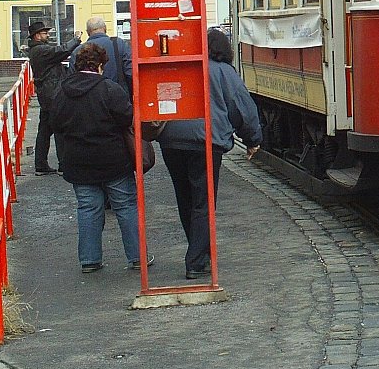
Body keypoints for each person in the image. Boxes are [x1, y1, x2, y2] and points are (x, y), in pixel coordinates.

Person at [156, 27, 262, 280]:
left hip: (171, 139)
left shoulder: (182, 65)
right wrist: (252, 139)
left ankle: (199, 254)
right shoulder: (224, 71)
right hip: (206, 141)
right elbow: (241, 108)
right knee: (203, 202)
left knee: (185, 199)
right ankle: (195, 261)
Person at [47, 42, 145, 273]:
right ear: (99, 65)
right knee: (126, 207)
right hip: (113, 160)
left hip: (78, 161)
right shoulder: (109, 89)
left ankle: (90, 259)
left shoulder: (62, 91)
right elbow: (126, 118)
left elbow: (55, 124)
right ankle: (137, 257)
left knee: (88, 208)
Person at [26, 20, 80, 175]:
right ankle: (63, 165)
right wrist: (75, 40)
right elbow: (62, 50)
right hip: (53, 95)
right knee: (60, 129)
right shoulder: (41, 51)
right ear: (37, 36)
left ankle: (41, 165)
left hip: (46, 94)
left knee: (44, 130)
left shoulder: (37, 50)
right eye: (44, 33)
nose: (47, 35)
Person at [82, 15, 132, 100]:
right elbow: (130, 73)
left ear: (87, 32)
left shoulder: (80, 50)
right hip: (119, 100)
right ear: (105, 28)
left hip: (90, 103)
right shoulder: (119, 44)